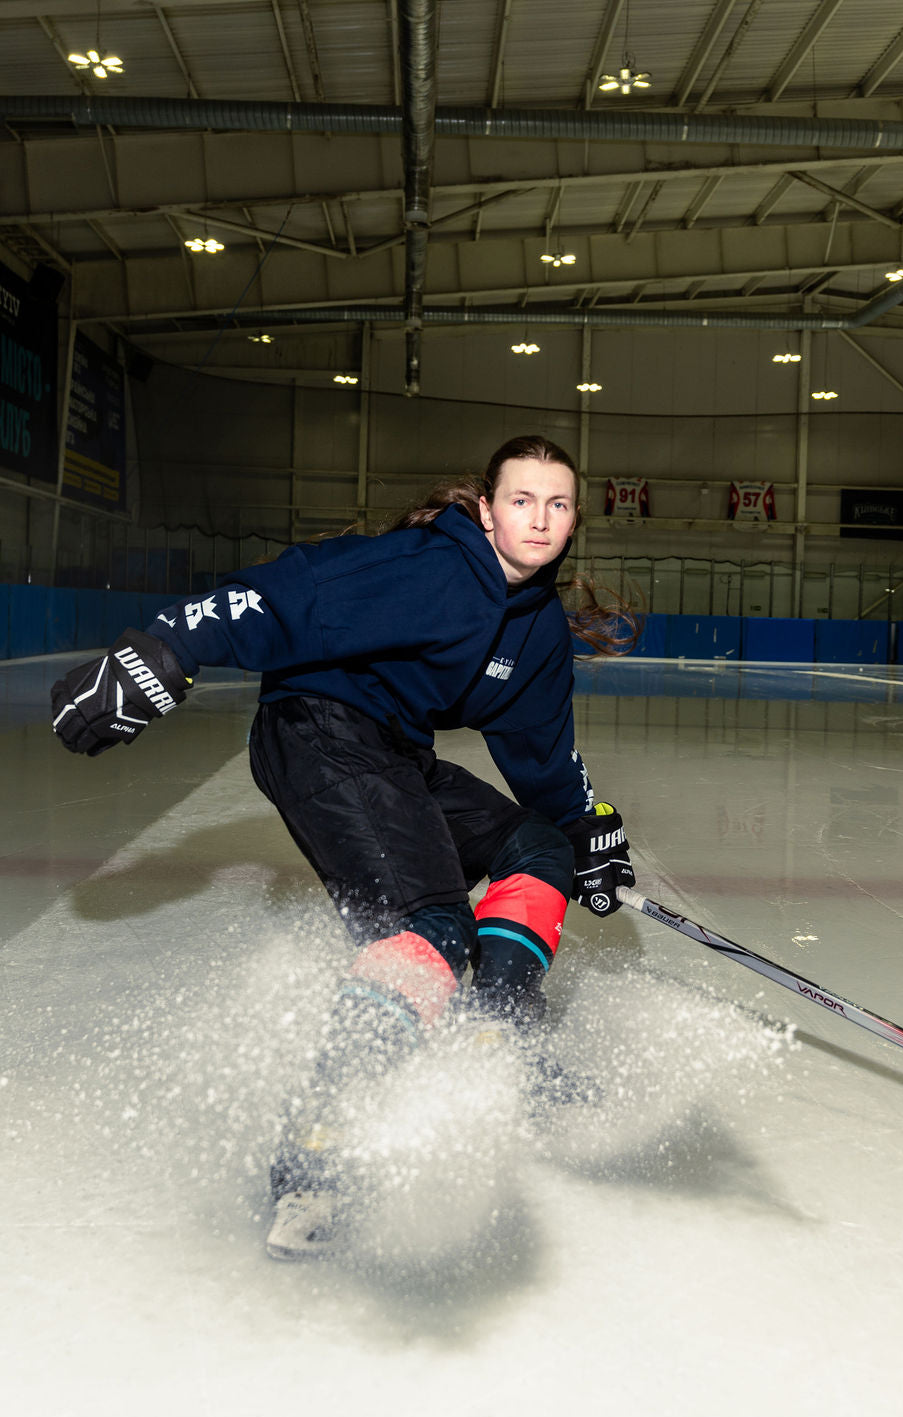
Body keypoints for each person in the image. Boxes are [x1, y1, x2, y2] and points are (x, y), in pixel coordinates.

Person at [51, 433, 637, 1256]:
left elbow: (541, 755)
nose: (539, 519)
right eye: (521, 500)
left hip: (398, 753)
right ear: (486, 509)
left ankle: (498, 1034)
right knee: (430, 927)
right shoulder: (429, 565)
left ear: (575, 520)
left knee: (538, 848)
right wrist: (167, 648)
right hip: (316, 732)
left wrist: (585, 831)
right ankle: (311, 1158)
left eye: (558, 504)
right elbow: (290, 592)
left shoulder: (535, 626)